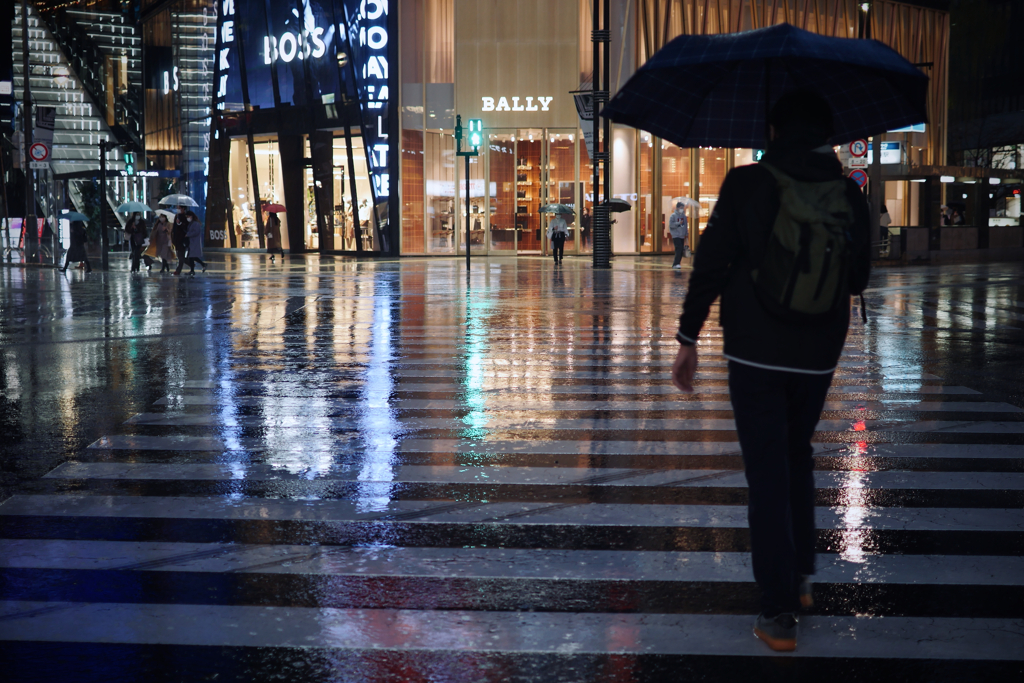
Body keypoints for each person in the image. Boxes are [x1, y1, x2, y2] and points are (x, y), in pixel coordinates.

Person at [670, 89, 870, 652]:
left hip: (755, 348)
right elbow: (859, 279)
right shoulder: (849, 194)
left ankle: (778, 610)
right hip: (818, 351)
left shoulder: (746, 182)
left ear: (774, 132)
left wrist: (688, 338)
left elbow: (710, 261)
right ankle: (801, 576)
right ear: (826, 134)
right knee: (797, 452)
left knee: (767, 471)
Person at [665, 201, 690, 269]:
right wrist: (678, 223)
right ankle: (675, 264)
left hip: (682, 235)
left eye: (683, 208)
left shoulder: (684, 216)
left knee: (681, 249)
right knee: (678, 249)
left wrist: (686, 233)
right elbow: (671, 225)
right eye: (681, 208)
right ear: (677, 208)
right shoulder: (673, 216)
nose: (682, 209)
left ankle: (677, 263)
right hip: (676, 235)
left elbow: (685, 226)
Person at [184, 211, 207, 275]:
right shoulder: (191, 223)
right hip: (191, 242)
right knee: (191, 256)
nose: (187, 218)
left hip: (194, 242)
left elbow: (196, 232)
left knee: (192, 256)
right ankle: (200, 266)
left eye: (188, 216)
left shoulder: (196, 224)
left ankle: (194, 269)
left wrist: (188, 234)